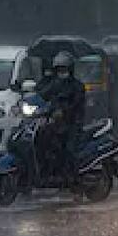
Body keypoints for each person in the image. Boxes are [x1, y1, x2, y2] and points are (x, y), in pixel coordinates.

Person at [46, 52, 86, 181]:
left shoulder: (77, 86)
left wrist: (64, 111)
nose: (61, 72)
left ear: (70, 69)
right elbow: (42, 94)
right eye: (59, 69)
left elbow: (76, 103)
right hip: (55, 123)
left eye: (64, 69)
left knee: (69, 149)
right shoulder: (54, 84)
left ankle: (74, 178)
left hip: (73, 122)